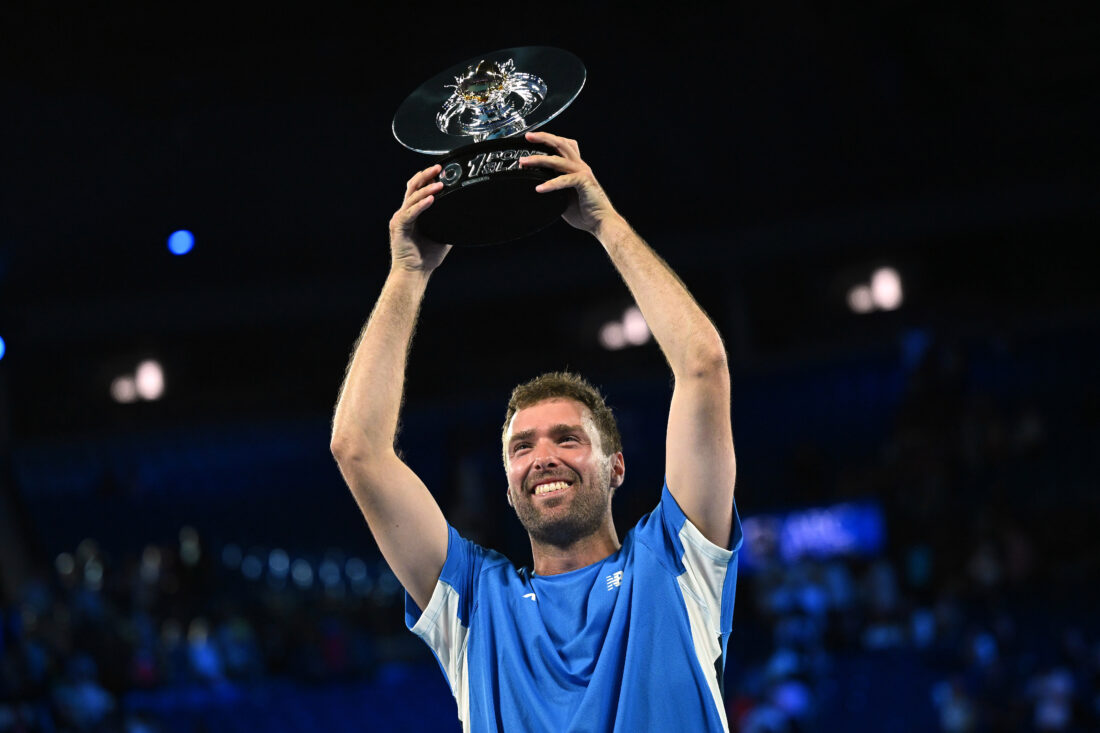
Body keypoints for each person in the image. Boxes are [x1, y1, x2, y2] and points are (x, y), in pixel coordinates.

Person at [330, 131, 741, 732]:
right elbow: (358, 449)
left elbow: (703, 367)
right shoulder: (473, 600)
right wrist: (408, 272)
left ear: (616, 466)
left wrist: (605, 224)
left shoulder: (678, 563)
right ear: (507, 485)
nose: (543, 456)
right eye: (522, 447)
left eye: (567, 439)